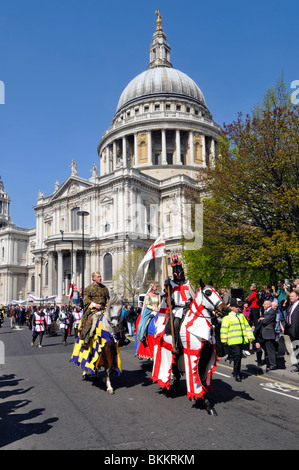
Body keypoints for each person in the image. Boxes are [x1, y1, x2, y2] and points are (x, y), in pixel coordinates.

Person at [165, 255, 195, 351]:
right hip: (177, 309)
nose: (178, 274)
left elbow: (194, 296)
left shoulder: (187, 283)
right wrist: (167, 286)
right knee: (176, 323)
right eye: (176, 273)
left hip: (187, 308)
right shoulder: (172, 284)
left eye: (179, 272)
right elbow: (167, 295)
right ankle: (177, 344)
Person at [220, 298, 254, 381]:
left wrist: (250, 336)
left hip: (241, 340)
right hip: (232, 341)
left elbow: (247, 327)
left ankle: (236, 372)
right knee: (238, 355)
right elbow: (224, 329)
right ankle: (237, 373)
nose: (238, 308)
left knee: (238, 357)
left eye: (238, 306)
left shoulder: (241, 316)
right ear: (231, 307)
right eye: (236, 307)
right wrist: (224, 340)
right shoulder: (227, 318)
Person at [78, 272, 110, 347]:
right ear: (93, 278)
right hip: (93, 309)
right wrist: (95, 305)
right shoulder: (88, 289)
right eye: (98, 277)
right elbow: (86, 300)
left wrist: (108, 303)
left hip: (104, 308)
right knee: (91, 320)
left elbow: (107, 298)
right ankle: (87, 339)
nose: (100, 278)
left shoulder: (104, 288)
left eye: (100, 276)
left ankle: (121, 337)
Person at [257, 300, 278, 371]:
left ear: (269, 305)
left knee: (270, 349)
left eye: (264, 304)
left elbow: (265, 321)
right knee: (266, 349)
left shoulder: (272, 311)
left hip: (269, 334)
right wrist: (262, 319)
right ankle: (267, 361)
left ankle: (273, 364)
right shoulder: (266, 312)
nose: (263, 305)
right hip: (264, 334)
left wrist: (261, 319)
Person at [284, 290, 299, 373]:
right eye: (290, 296)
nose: (290, 297)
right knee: (296, 349)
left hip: (297, 330)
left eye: (292, 296)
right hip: (291, 330)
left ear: (297, 297)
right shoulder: (291, 306)